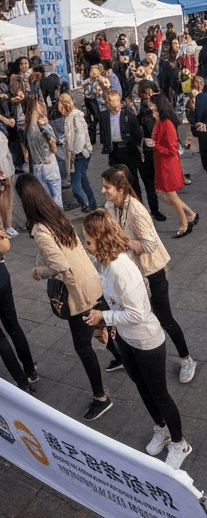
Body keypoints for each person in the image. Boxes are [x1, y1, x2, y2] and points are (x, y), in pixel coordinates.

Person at [80, 210, 192, 469]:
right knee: (141, 385)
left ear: (101, 239)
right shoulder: (105, 263)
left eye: (88, 240)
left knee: (160, 394)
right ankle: (161, 429)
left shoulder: (121, 269)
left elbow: (138, 314)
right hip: (126, 338)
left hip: (146, 341)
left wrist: (104, 316)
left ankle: (180, 443)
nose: (86, 245)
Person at [16, 173, 118, 420]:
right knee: (102, 325)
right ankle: (122, 358)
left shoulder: (41, 228)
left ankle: (101, 398)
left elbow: (59, 264)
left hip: (78, 293)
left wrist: (39, 272)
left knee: (83, 346)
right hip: (90, 280)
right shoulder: (56, 214)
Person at [101, 166, 195, 382]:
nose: (103, 191)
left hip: (152, 271)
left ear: (120, 189)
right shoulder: (110, 205)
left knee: (164, 318)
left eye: (107, 187)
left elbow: (150, 244)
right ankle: (134, 358)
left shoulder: (136, 210)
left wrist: (122, 241)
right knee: (135, 316)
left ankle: (186, 359)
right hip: (131, 270)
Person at [151, 94, 197, 238]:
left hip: (168, 165)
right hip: (161, 164)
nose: (152, 112)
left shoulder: (167, 124)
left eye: (154, 109)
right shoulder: (160, 123)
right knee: (166, 196)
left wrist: (155, 146)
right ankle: (191, 215)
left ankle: (184, 224)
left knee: (171, 195)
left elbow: (172, 150)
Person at [0, 223, 38, 392]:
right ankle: (30, 371)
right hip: (1, 276)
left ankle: (22, 383)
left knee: (1, 339)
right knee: (13, 325)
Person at [57, 94, 98, 213]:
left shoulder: (75, 116)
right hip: (80, 152)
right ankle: (92, 203)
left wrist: (75, 152)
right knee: (83, 179)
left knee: (75, 183)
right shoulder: (72, 116)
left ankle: (85, 203)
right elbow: (72, 135)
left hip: (80, 153)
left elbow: (80, 137)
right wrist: (62, 141)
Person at [25, 97, 62, 205]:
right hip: (48, 163)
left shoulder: (27, 126)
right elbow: (53, 145)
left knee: (45, 200)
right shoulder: (43, 124)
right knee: (56, 196)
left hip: (37, 167)